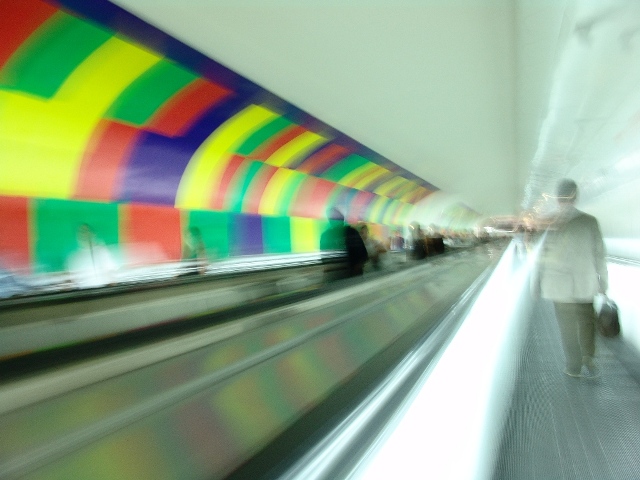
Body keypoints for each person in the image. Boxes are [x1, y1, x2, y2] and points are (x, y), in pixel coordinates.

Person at [537, 179, 608, 378]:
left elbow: (540, 256)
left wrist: (537, 283)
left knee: (567, 326)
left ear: (556, 197)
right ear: (576, 196)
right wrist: (603, 282)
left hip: (558, 285)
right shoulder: (590, 221)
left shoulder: (548, 222)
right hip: (585, 282)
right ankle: (588, 357)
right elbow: (599, 254)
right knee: (587, 322)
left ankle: (573, 366)